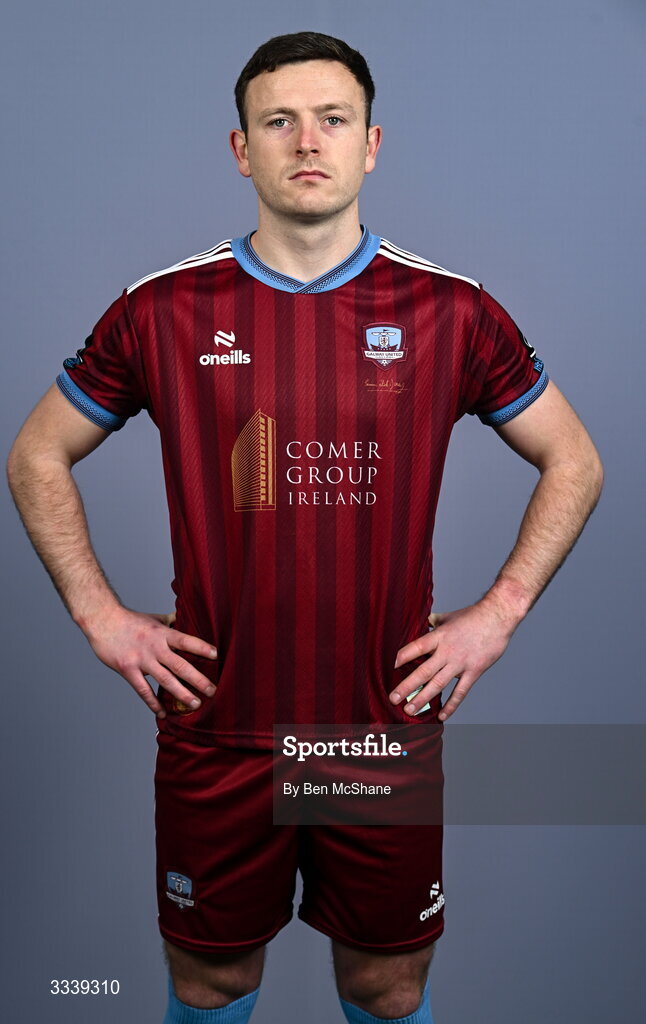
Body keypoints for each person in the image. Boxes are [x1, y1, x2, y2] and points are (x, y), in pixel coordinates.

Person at [7, 30, 603, 1024]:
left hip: (376, 727)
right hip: (218, 724)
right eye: (277, 121)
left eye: (332, 118)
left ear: (373, 143)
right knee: (212, 978)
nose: (306, 140)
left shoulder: (449, 310)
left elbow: (573, 460)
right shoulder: (161, 309)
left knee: (384, 980)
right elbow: (35, 453)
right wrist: (99, 615)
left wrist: (497, 611)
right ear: (241, 149)